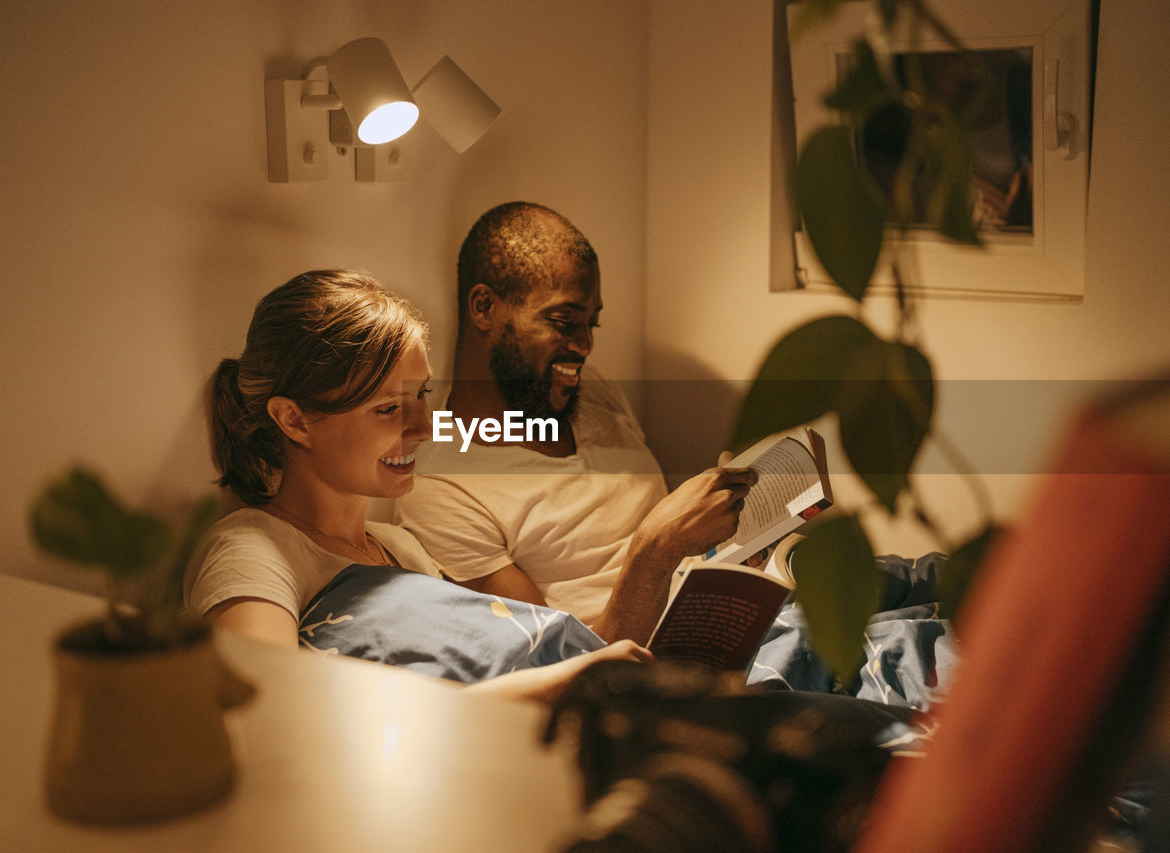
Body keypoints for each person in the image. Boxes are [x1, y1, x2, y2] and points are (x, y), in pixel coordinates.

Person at [184, 268, 651, 704]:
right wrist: (556, 687)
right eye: (388, 409)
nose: (424, 427)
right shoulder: (252, 551)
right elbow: (274, 711)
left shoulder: (400, 549)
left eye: (422, 394)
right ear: (294, 420)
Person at [394, 202, 757, 644]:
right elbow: (563, 664)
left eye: (592, 323)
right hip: (651, 671)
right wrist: (658, 549)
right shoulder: (442, 489)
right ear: (484, 307)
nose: (584, 345)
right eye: (564, 321)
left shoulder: (589, 393)